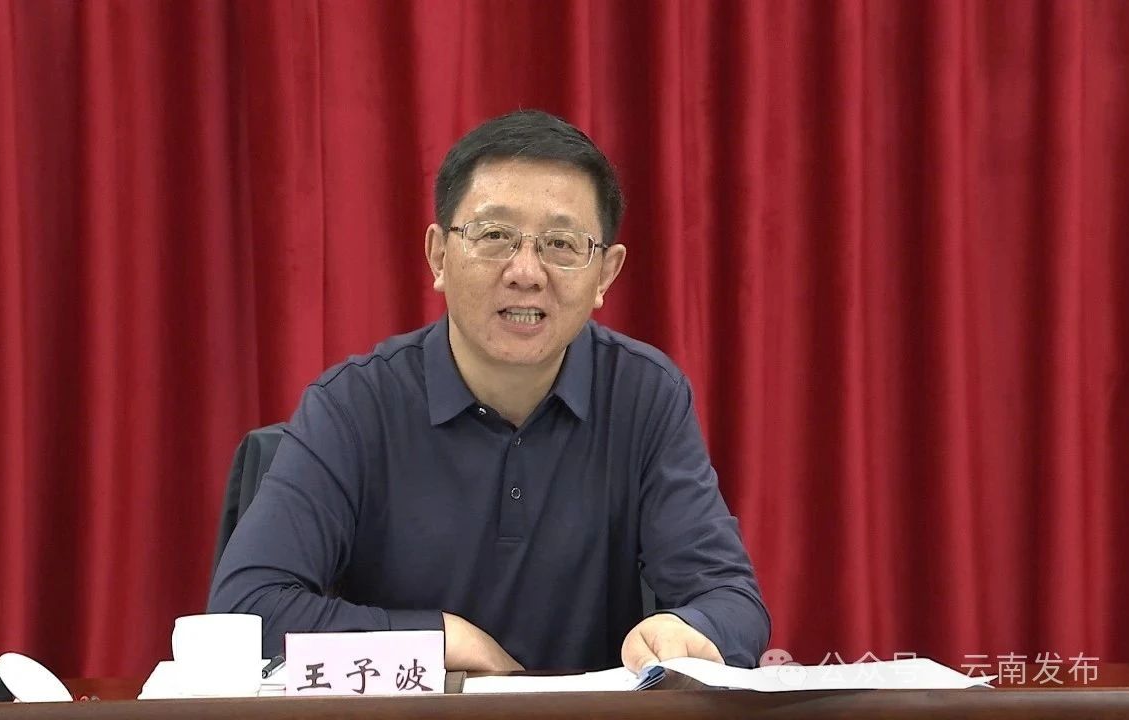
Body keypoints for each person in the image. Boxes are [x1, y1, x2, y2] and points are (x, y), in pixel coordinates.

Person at [209, 110, 770, 672]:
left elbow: (734, 604)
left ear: (605, 273)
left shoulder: (645, 397)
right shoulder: (354, 406)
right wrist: (438, 638)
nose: (526, 272)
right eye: (495, 236)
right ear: (438, 255)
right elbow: (245, 611)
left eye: (561, 244)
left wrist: (688, 628)